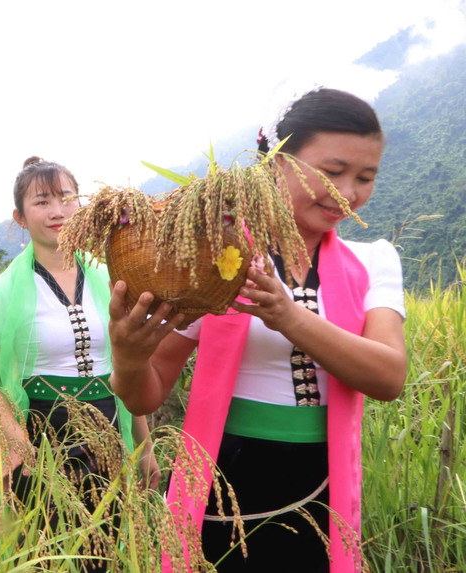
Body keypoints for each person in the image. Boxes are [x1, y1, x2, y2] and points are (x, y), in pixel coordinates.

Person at [108, 88, 407, 572]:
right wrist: (128, 357)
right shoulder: (216, 262)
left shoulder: (374, 260)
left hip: (323, 486)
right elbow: (146, 393)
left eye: (364, 177)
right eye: (331, 173)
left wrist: (288, 316)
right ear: (276, 164)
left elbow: (388, 376)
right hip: (223, 481)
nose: (347, 193)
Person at [0, 157, 156, 573]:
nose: (57, 211)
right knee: (47, 552)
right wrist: (15, 440)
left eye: (65, 197)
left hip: (109, 428)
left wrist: (143, 445)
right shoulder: (2, 293)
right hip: (41, 435)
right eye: (42, 201)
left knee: (108, 548)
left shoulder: (113, 278)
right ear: (20, 216)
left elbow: (130, 367)